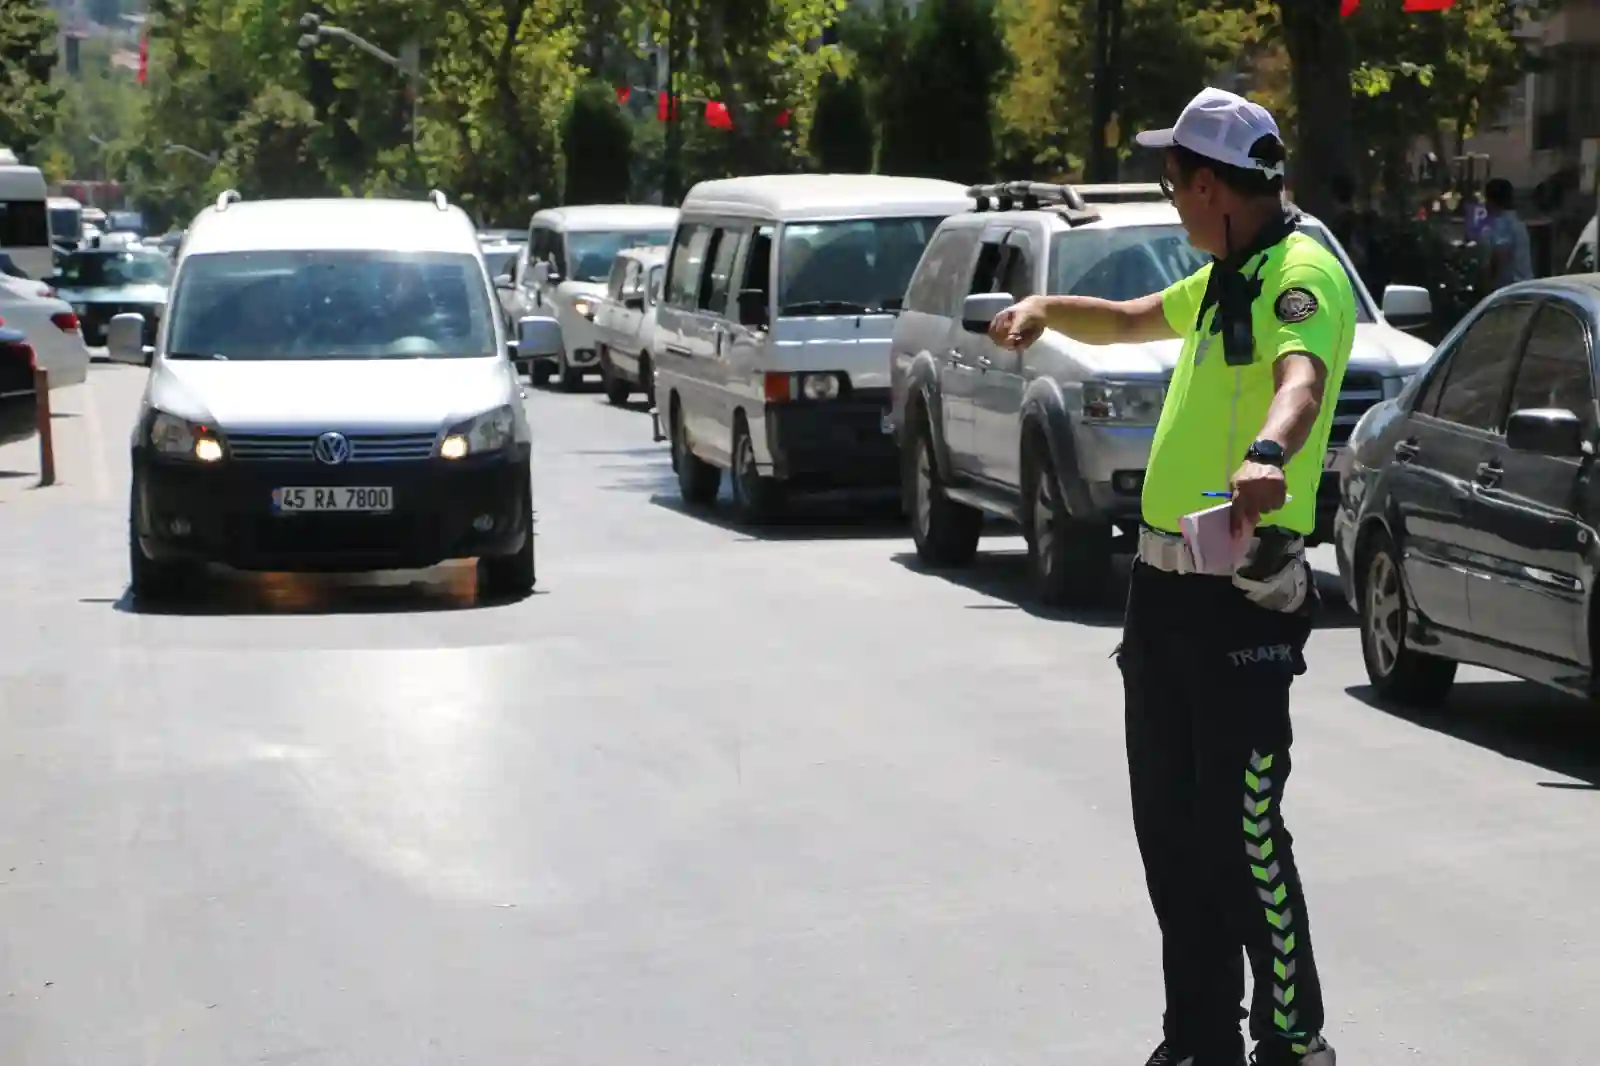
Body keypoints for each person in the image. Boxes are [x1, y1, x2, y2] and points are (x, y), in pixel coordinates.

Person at [989, 87, 1350, 1066]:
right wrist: (1042, 309)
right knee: (1171, 831)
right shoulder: (1225, 273)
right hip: (1162, 595)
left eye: (1172, 181)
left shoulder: (1297, 272)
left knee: (1241, 829)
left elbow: (1302, 377)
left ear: (1206, 185)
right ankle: (1196, 1038)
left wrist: (1270, 451)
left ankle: (1291, 1038)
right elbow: (1125, 318)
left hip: (1238, 591)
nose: (1170, 198)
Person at [1482, 177, 1533, 290]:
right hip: (1524, 286)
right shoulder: (1517, 222)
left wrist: (1487, 285)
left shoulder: (1502, 224)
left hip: (1510, 290)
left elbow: (1500, 255)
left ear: (1491, 201)